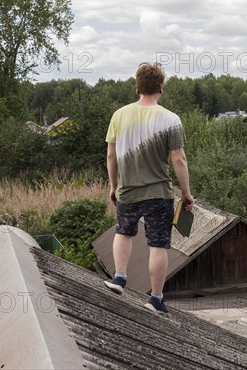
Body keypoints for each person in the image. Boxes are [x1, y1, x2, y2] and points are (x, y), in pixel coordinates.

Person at [104, 62, 194, 313]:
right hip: (158, 193)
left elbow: (111, 156)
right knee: (158, 244)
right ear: (161, 88)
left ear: (137, 87)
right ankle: (155, 298)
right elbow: (179, 159)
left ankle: (119, 277)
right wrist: (186, 193)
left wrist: (114, 186)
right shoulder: (170, 119)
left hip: (128, 190)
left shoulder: (119, 115)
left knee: (123, 231)